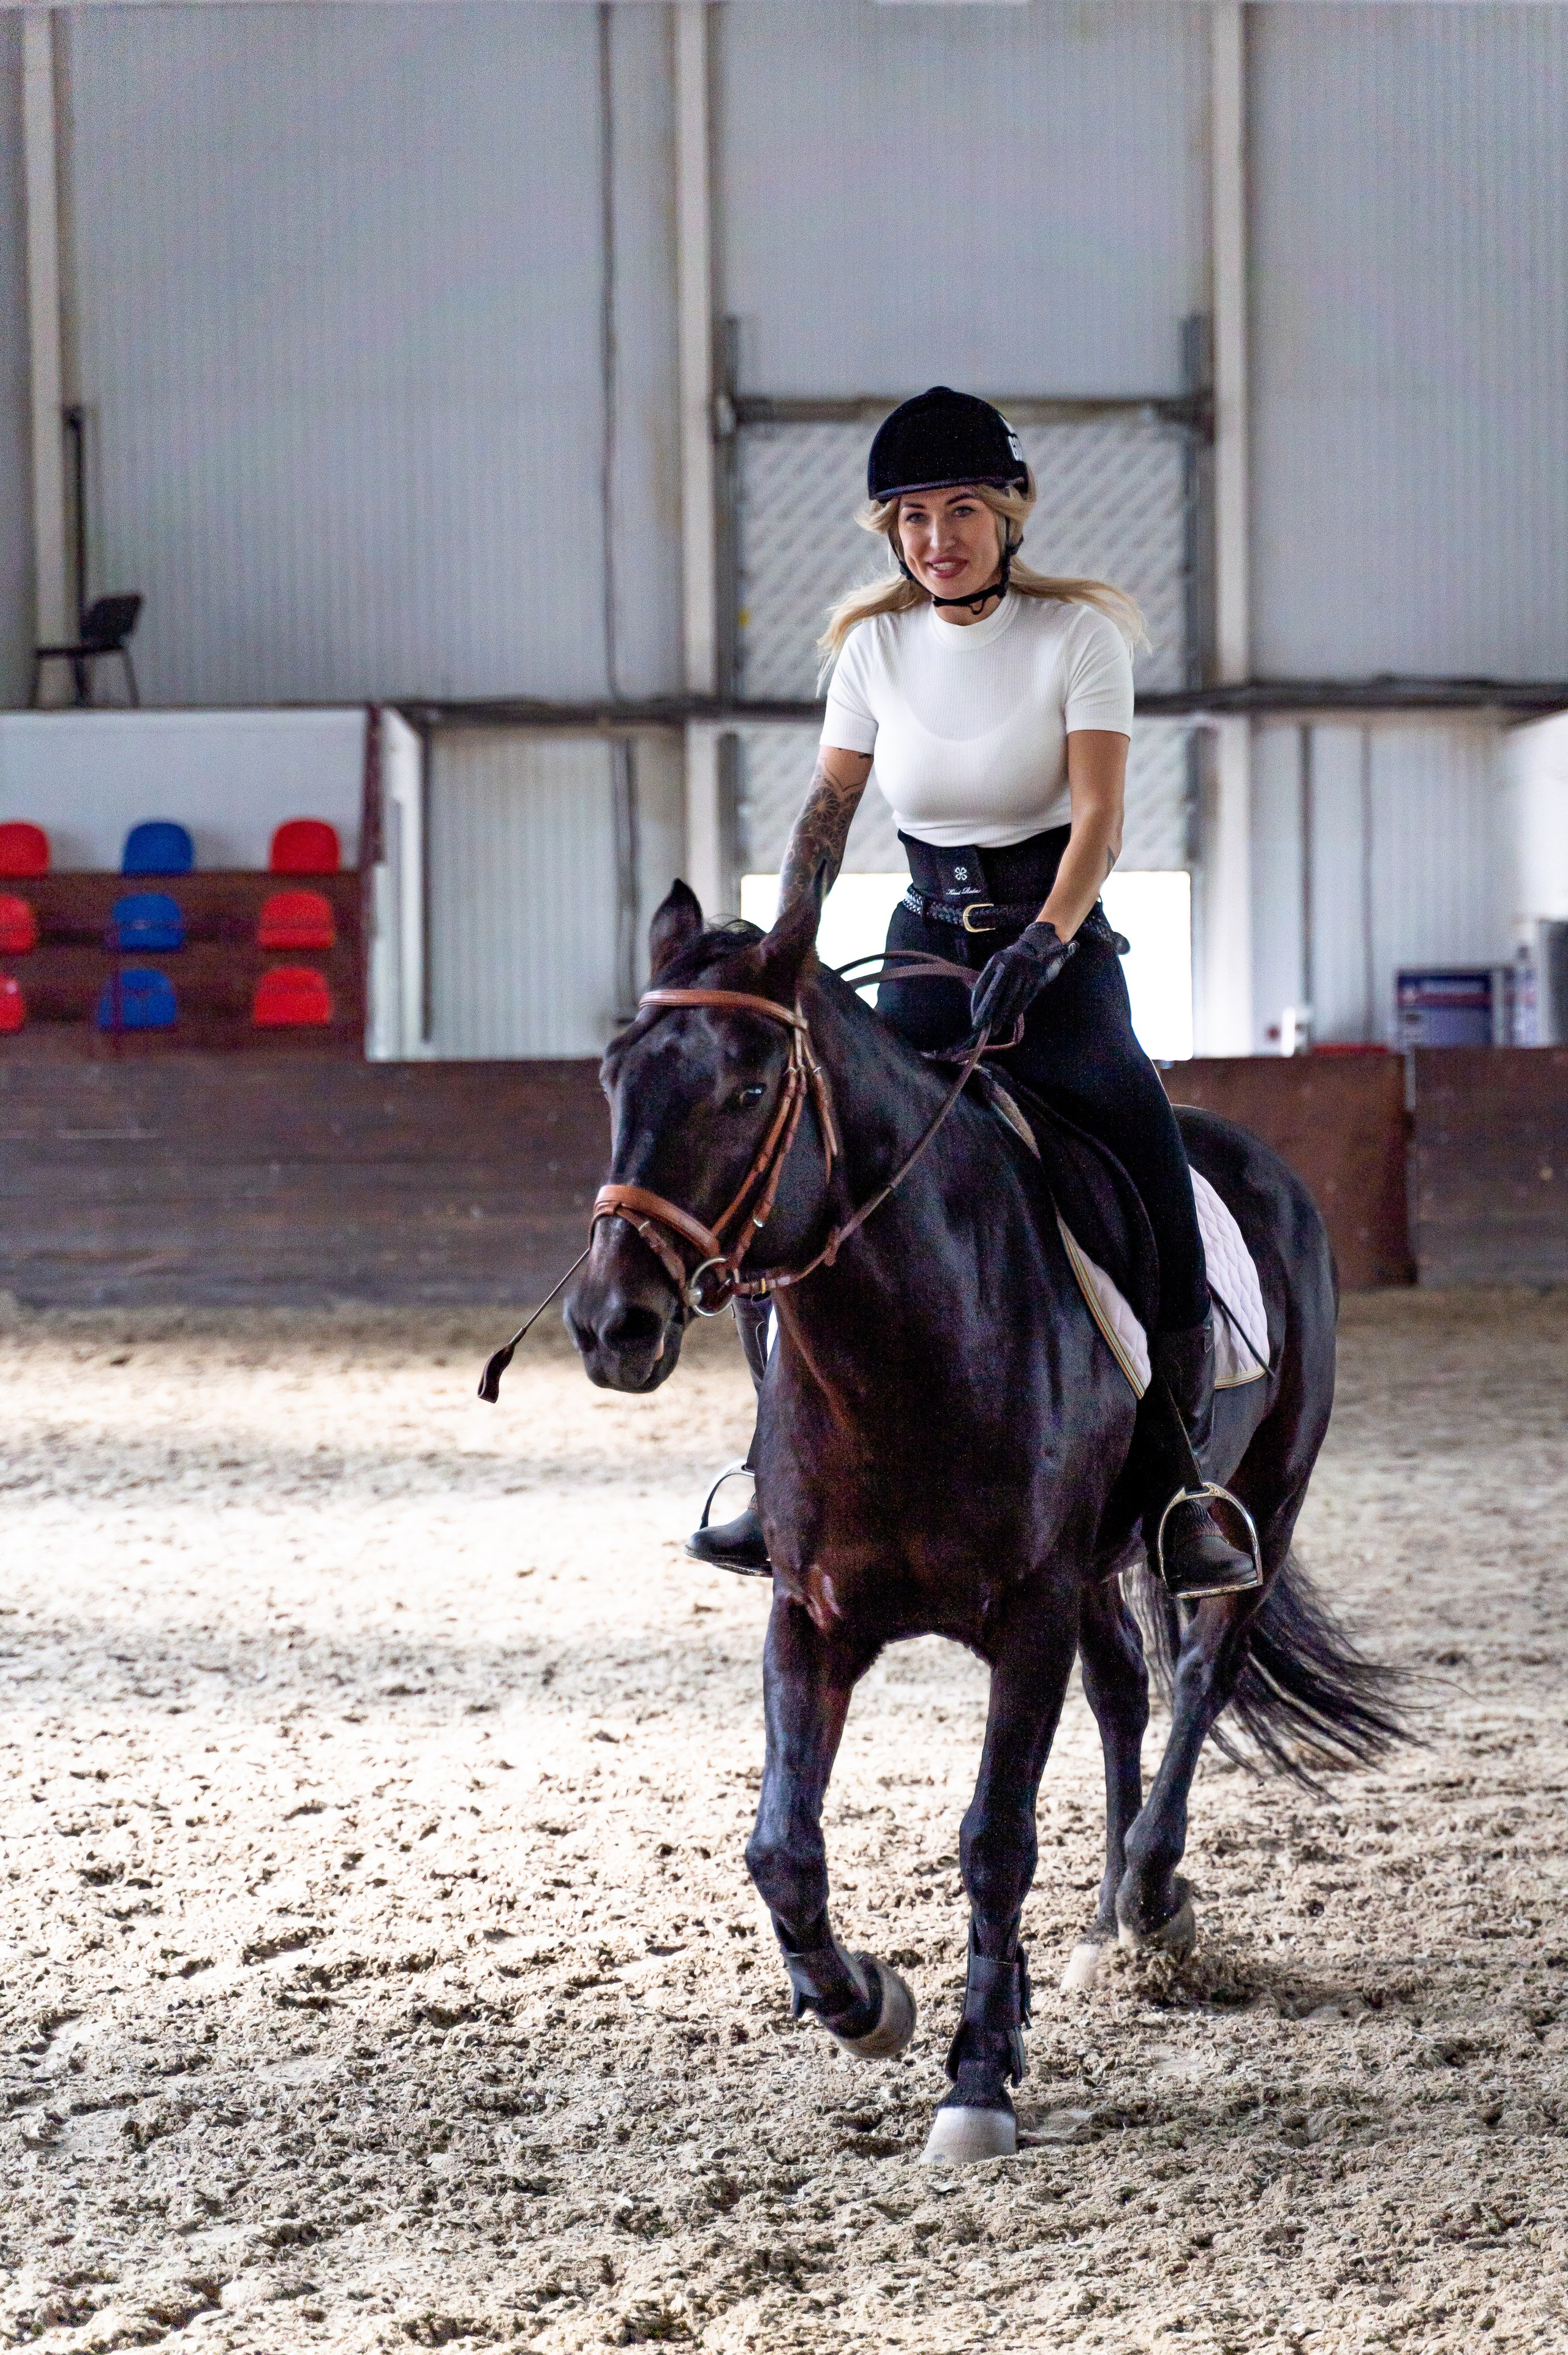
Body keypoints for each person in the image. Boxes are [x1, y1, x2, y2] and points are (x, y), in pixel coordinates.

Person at [688, 386, 1252, 1599]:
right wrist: (789, 938)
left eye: (959, 511)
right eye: (910, 518)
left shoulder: (1074, 639)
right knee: (814, 1172)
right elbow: (825, 818)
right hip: (923, 948)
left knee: (1147, 1162)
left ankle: (1178, 1484)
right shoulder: (871, 651)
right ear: (888, 534)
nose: (936, 537)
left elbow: (1098, 818)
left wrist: (1049, 942)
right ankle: (770, 1462)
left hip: (1056, 952)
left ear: (1007, 516)